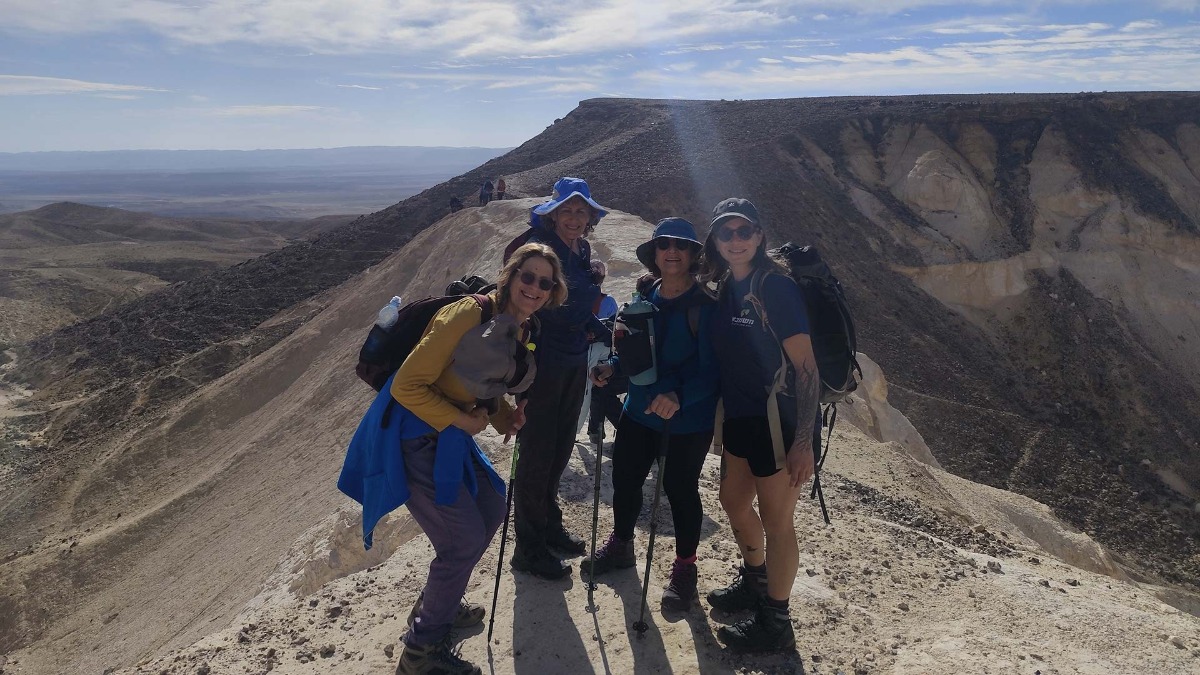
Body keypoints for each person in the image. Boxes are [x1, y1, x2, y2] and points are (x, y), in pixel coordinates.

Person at [338, 243, 567, 675]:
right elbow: (407, 386)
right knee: (461, 541)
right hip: (414, 436)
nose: (534, 287)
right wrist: (462, 423)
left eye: (545, 281)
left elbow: (481, 383)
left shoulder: (521, 327)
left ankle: (438, 602)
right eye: (528, 276)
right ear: (511, 275)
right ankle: (420, 654)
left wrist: (503, 419)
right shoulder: (466, 315)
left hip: (449, 435)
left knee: (492, 508)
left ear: (553, 291)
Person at [701, 198, 821, 653]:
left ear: (759, 235)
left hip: (781, 422)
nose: (735, 240)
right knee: (732, 501)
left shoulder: (776, 288)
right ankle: (754, 579)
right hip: (741, 416)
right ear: (715, 240)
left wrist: (804, 442)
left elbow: (806, 369)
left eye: (743, 231)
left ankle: (776, 620)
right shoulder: (729, 285)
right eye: (725, 233)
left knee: (777, 521)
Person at [581, 217, 719, 610]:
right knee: (625, 480)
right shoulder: (646, 296)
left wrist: (680, 395)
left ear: (693, 255)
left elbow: (716, 371)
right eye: (664, 246)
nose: (671, 252)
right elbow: (634, 350)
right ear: (655, 255)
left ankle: (685, 570)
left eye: (680, 246)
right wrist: (612, 367)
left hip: (688, 420)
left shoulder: (706, 307)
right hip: (640, 411)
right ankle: (622, 546)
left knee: (680, 491)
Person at [510, 176, 611, 580]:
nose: (574, 217)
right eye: (566, 210)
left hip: (573, 360)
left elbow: (577, 306)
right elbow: (544, 305)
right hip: (542, 362)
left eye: (580, 211)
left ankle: (548, 526)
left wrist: (597, 326)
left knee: (560, 446)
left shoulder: (581, 249)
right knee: (536, 454)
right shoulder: (539, 250)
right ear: (552, 214)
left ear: (589, 217)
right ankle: (528, 547)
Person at [578, 258, 619, 439]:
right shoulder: (607, 301)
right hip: (598, 350)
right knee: (592, 391)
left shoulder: (579, 296)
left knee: (590, 392)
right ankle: (591, 430)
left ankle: (592, 429)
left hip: (582, 350)